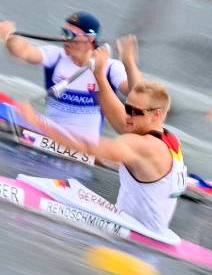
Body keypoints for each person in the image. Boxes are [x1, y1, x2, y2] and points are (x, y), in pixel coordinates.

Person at [16, 46, 186, 235]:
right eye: (127, 107)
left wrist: (37, 122)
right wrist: (99, 74)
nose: (127, 115)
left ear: (157, 115)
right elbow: (121, 112)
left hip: (137, 239)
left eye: (133, 112)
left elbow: (87, 147)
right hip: (134, 225)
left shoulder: (144, 146)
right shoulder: (167, 137)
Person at [0, 12, 140, 142]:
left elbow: (136, 93)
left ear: (89, 39)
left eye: (69, 34)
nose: (64, 38)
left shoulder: (110, 67)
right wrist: (9, 36)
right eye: (63, 32)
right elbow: (24, 51)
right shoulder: (56, 56)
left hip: (83, 143)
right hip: (49, 132)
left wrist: (129, 62)